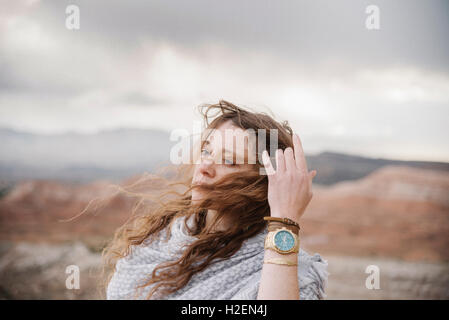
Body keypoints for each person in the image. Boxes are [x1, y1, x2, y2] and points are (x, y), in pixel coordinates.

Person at [104, 100, 328, 300]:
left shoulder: (292, 275)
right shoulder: (159, 238)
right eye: (207, 151)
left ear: (264, 185)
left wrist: (285, 220)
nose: (204, 167)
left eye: (229, 161)